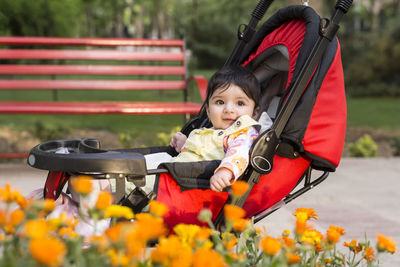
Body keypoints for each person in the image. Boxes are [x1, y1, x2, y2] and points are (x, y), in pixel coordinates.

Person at [169, 65, 261, 192]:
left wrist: (226, 171)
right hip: (174, 172)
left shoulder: (242, 135)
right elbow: (203, 151)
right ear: (208, 110)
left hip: (184, 187)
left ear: (254, 113)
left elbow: (239, 153)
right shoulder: (212, 131)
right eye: (220, 102)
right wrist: (185, 144)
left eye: (240, 103)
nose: (229, 109)